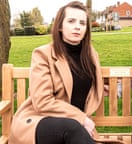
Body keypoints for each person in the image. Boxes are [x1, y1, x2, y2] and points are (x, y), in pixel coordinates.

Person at [9, 1, 103, 144]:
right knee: (73, 127)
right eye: (71, 21)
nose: (77, 26)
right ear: (60, 26)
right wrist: (81, 118)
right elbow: (42, 101)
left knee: (74, 129)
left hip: (73, 128)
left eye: (82, 23)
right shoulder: (43, 54)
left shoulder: (91, 55)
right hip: (40, 120)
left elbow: (84, 82)